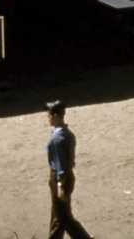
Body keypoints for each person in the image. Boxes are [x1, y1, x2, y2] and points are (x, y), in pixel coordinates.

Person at [44, 100, 92, 239]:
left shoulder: (57, 138)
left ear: (56, 116)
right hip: (67, 177)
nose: (48, 118)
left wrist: (60, 185)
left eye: (49, 115)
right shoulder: (68, 134)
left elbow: (60, 165)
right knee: (60, 215)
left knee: (61, 218)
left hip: (60, 178)